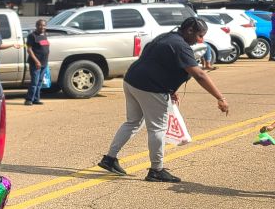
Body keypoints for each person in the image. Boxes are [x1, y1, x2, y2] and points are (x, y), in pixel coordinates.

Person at [98, 17, 229, 182]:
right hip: (150, 87)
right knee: (157, 128)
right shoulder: (181, 46)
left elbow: (159, 63)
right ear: (189, 31)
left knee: (132, 122)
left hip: (132, 81)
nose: (200, 40)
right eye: (199, 35)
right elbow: (200, 75)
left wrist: (171, 89)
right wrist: (220, 98)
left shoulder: (167, 37)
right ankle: (156, 170)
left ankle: (109, 159)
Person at [24, 19, 49, 105]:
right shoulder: (32, 36)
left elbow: (46, 48)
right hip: (36, 63)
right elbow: (29, 50)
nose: (42, 27)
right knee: (34, 82)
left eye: (44, 25)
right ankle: (29, 99)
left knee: (39, 82)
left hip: (44, 63)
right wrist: (37, 61)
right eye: (40, 25)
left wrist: (46, 61)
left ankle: (36, 99)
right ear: (36, 26)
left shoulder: (44, 35)